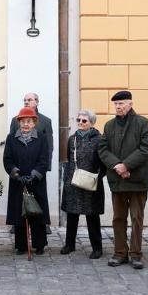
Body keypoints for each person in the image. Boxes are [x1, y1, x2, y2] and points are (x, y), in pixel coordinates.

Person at [97, 91, 148, 270]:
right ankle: (120, 252)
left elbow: (146, 149)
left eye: (121, 103)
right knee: (118, 218)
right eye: (116, 104)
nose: (118, 107)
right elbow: (103, 149)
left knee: (137, 217)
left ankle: (136, 254)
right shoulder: (109, 125)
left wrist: (127, 166)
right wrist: (118, 166)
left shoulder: (143, 123)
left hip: (137, 180)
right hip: (118, 179)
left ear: (130, 104)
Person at [4, 107, 50, 255]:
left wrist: (33, 176)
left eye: (29, 121)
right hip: (18, 182)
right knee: (20, 213)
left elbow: (44, 160)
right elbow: (7, 159)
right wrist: (17, 175)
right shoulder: (11, 138)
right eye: (23, 121)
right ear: (19, 122)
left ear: (34, 122)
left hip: (36, 182)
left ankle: (39, 244)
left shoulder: (42, 138)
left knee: (37, 213)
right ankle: (21, 245)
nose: (25, 124)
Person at [60, 109, 105, 259]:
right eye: (78, 120)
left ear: (91, 123)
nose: (80, 123)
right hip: (73, 182)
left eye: (84, 121)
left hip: (91, 183)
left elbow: (103, 163)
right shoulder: (72, 138)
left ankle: (97, 248)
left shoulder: (99, 139)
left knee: (92, 217)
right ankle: (69, 244)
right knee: (72, 215)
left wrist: (97, 177)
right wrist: (67, 179)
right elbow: (68, 158)